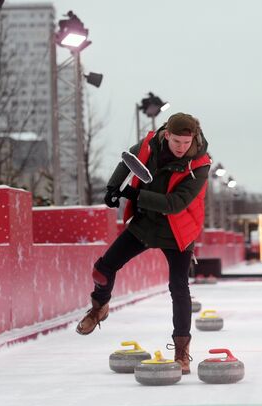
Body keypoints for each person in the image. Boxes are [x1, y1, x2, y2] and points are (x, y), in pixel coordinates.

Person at [76, 113, 211, 375]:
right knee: (102, 269)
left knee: (178, 287)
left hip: (178, 229)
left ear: (193, 138)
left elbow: (175, 204)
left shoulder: (200, 165)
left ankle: (182, 350)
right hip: (146, 222)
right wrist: (113, 187)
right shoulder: (150, 143)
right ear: (166, 135)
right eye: (177, 142)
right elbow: (128, 161)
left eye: (186, 142)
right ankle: (98, 308)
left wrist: (134, 194)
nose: (181, 148)